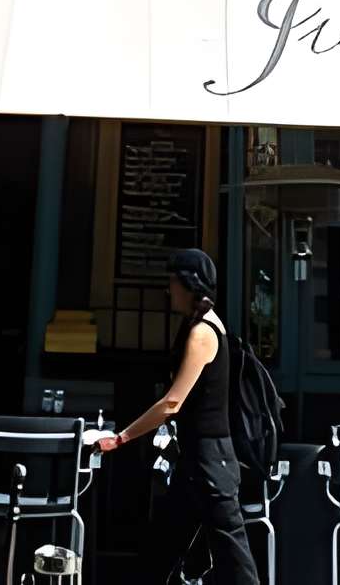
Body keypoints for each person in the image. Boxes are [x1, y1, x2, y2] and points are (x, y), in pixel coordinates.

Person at [96, 247, 260, 585]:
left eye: (172, 282)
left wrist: (122, 437)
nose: (168, 290)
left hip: (210, 463)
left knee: (234, 559)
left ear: (189, 284)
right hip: (196, 462)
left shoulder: (202, 333)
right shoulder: (200, 325)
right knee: (160, 550)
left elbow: (172, 403)